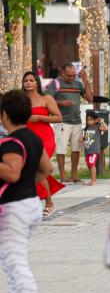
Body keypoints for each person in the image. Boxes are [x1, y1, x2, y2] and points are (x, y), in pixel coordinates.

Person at [0, 90, 53, 293]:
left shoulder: (12, 143)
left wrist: (20, 184)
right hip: (30, 204)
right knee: (11, 260)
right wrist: (28, 185)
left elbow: (12, 173)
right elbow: (47, 168)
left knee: (15, 262)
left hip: (15, 209)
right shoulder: (32, 138)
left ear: (4, 115)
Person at [22, 71, 64, 217]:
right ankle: (34, 202)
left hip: (45, 138)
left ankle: (49, 203)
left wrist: (40, 117)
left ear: (37, 83)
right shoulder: (21, 100)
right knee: (33, 170)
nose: (28, 83)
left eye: (31, 80)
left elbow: (58, 118)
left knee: (36, 167)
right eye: (26, 81)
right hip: (27, 138)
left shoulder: (46, 98)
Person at [45, 63, 93, 183]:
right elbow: (47, 100)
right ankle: (63, 176)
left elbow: (90, 98)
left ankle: (74, 176)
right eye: (69, 75)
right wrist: (61, 103)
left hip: (77, 121)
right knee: (61, 150)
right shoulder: (55, 83)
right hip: (62, 122)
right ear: (62, 73)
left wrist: (85, 80)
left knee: (76, 149)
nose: (72, 77)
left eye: (74, 75)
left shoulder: (78, 84)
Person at [82, 112, 108, 186]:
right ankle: (92, 180)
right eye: (87, 120)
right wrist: (82, 139)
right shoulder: (86, 128)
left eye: (91, 120)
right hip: (87, 150)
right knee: (89, 165)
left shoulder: (97, 127)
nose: (89, 121)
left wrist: (101, 121)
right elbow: (85, 137)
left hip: (94, 151)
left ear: (95, 120)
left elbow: (106, 128)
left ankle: (94, 181)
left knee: (92, 164)